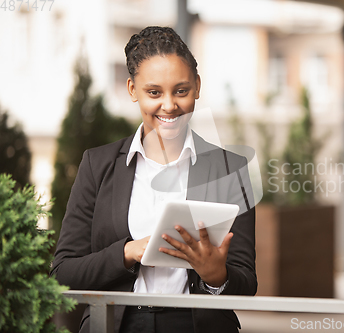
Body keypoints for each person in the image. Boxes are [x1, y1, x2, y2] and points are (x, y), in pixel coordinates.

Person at [51, 26, 257, 333]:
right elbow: (63, 272)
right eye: (154, 92)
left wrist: (216, 276)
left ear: (197, 87)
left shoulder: (230, 168)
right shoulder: (98, 165)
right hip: (115, 324)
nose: (170, 105)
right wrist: (128, 252)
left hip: (196, 325)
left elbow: (246, 282)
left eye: (181, 90)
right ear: (133, 90)